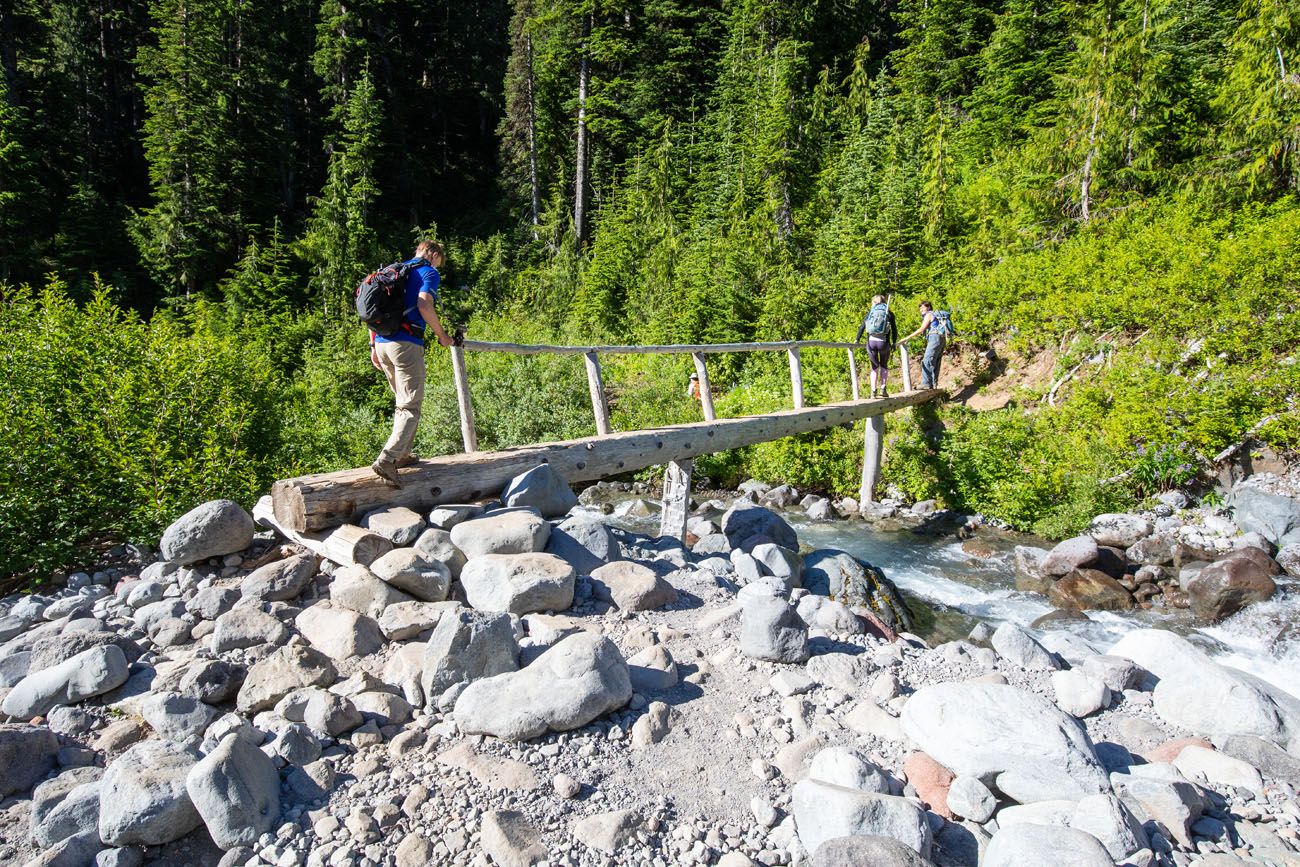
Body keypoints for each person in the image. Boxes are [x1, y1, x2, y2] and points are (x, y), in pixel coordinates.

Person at [369, 240, 454, 487]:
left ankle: (402, 455)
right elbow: (424, 303)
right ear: (434, 254)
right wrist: (441, 335)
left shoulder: (392, 272)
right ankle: (387, 459)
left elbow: (375, 310)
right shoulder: (428, 271)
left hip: (383, 344)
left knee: (402, 401)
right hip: (406, 344)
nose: (439, 264)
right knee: (410, 406)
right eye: (440, 259)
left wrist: (373, 346)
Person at [855, 294, 898, 398]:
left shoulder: (871, 313)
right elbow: (894, 330)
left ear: (873, 302)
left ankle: (873, 391)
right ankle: (883, 389)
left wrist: (857, 339)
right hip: (884, 343)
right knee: (884, 365)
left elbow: (862, 327)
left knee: (874, 367)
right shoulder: (888, 313)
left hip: (871, 342)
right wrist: (894, 342)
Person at [899, 300, 945, 389]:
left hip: (934, 337)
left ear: (928, 307)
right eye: (920, 308)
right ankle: (933, 384)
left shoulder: (929, 314)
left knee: (926, 360)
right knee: (935, 361)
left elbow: (921, 329)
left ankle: (926, 383)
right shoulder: (935, 314)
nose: (921, 309)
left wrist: (907, 338)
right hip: (941, 338)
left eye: (923, 307)